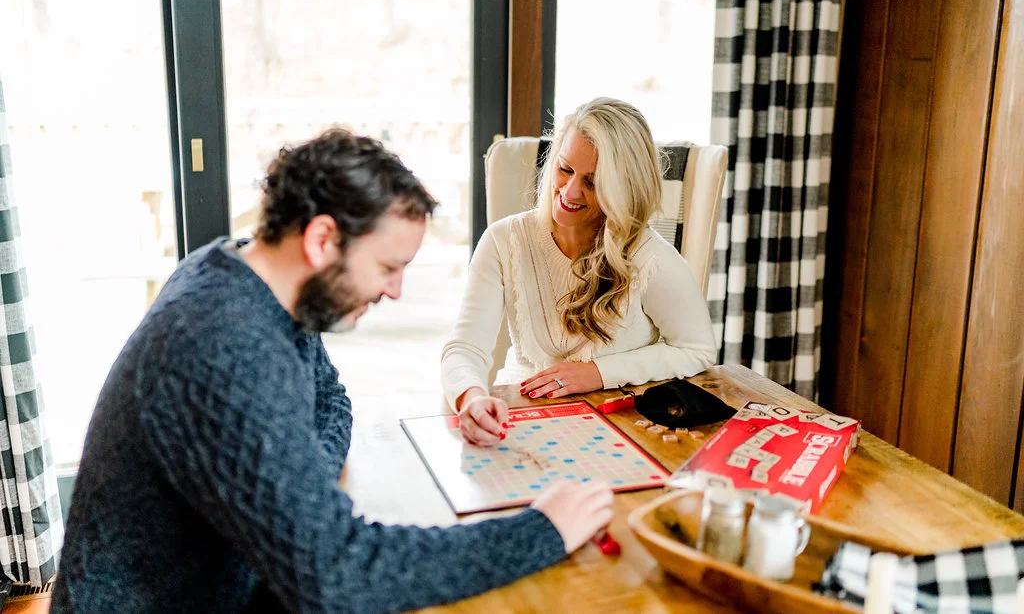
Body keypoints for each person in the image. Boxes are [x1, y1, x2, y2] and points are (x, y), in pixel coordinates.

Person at [52, 129, 614, 614]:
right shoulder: (223, 343)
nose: (395, 290)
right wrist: (543, 531)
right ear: (323, 239)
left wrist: (298, 488)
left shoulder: (254, 278)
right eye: (388, 267)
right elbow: (338, 575)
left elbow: (330, 399)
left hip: (235, 581)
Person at [442, 97, 717, 446]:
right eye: (564, 169)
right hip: (518, 417)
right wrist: (471, 398)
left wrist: (599, 373)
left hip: (620, 425)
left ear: (625, 190)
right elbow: (465, 348)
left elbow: (697, 350)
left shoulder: (652, 258)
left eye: (593, 182)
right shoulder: (503, 240)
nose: (570, 192)